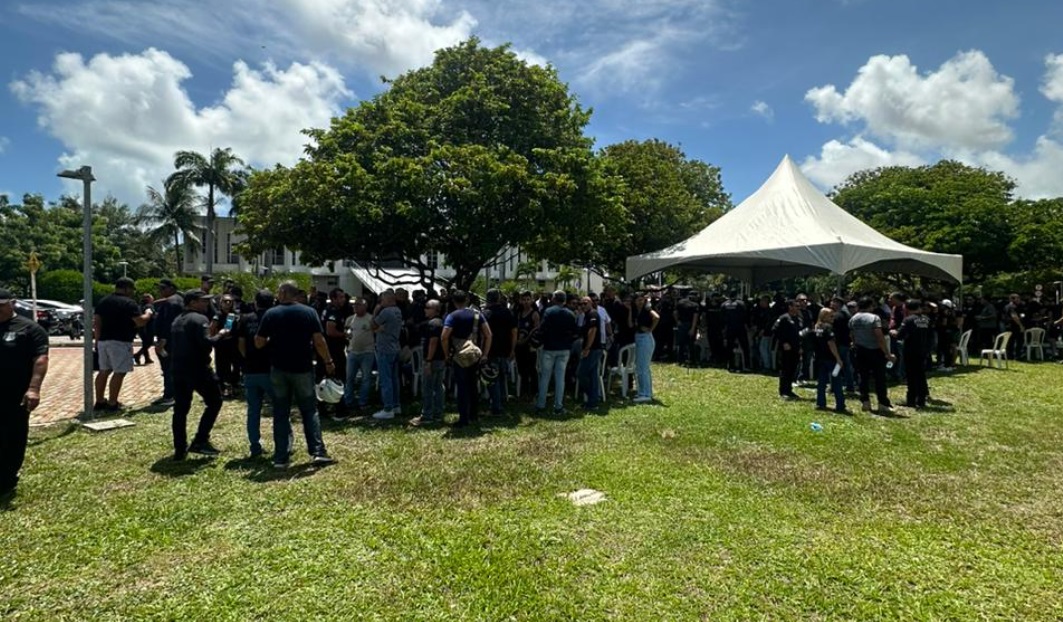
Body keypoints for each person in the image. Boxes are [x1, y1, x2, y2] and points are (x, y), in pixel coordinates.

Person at [255, 281, 336, 468]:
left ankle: (281, 457)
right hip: (303, 368)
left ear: (283, 293)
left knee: (281, 412)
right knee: (309, 410)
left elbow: (259, 342)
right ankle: (318, 452)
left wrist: (271, 340)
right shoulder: (309, 312)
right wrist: (328, 361)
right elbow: (319, 340)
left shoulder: (271, 313)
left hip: (278, 369)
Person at [0, 288, 49, 499]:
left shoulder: (30, 329)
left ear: (12, 303)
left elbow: (40, 360)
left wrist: (33, 388)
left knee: (13, 436)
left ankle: (7, 478)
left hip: (15, 394)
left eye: (1, 305)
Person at [169, 290, 229, 460]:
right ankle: (200, 440)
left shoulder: (177, 320)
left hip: (178, 369)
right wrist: (221, 334)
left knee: (180, 409)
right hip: (197, 369)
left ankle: (180, 448)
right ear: (193, 302)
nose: (206, 304)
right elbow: (207, 342)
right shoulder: (199, 319)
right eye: (203, 301)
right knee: (215, 401)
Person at [94, 277, 154, 411]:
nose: (132, 292)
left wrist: (97, 341)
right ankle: (112, 403)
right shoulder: (129, 303)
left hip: (103, 341)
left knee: (104, 371)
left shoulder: (103, 301)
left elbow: (97, 322)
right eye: (132, 289)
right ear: (126, 288)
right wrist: (148, 313)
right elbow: (140, 321)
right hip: (120, 341)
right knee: (119, 372)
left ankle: (99, 401)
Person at [442, 290, 492, 427]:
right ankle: (474, 415)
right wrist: (485, 354)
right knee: (473, 385)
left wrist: (447, 355)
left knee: (462, 386)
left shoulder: (452, 316)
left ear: (453, 301)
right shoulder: (477, 315)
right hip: (475, 354)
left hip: (459, 356)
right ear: (467, 300)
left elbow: (444, 337)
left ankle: (463, 419)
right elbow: (488, 335)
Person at [238, 290, 275, 458]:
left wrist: (248, 359)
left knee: (253, 410)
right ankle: (284, 442)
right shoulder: (275, 318)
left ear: (255, 302)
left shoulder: (245, 319)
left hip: (250, 370)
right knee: (280, 407)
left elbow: (241, 344)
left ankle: (255, 446)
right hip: (271, 370)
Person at [850, 296, 897, 414]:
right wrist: (887, 353)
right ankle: (882, 403)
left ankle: (865, 401)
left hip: (860, 350)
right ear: (870, 306)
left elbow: (852, 335)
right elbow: (879, 336)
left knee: (863, 377)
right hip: (875, 350)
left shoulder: (853, 318)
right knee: (879, 378)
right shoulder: (874, 318)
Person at [535, 290, 577, 415]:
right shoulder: (570, 314)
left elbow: (542, 329)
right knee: (560, 378)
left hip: (549, 348)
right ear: (564, 300)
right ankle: (558, 406)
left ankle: (541, 405)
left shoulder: (549, 312)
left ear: (554, 298)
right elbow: (573, 331)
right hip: (564, 348)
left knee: (545, 377)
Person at [410, 299, 445, 427]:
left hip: (433, 360)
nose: (425, 309)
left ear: (435, 310)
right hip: (440, 360)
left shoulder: (433, 324)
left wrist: (428, 360)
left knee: (428, 387)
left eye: (427, 307)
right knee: (438, 387)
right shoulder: (441, 322)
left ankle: (427, 415)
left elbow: (433, 342)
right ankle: (438, 414)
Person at [482, 289, 516, 416]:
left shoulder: (485, 313)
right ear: (498, 299)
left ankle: (496, 407)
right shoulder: (507, 312)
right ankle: (501, 400)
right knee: (502, 377)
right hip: (505, 350)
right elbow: (514, 332)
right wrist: (512, 349)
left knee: (492, 379)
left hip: (490, 351)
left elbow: (482, 334)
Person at [151, 278, 184, 408]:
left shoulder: (171, 303)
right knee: (171, 368)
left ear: (171, 288)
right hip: (174, 341)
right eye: (159, 288)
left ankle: (169, 395)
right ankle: (171, 393)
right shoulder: (177, 300)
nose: (160, 291)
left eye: (163, 288)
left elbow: (169, 324)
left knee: (168, 368)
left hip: (168, 342)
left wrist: (162, 341)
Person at [371, 290, 404, 420]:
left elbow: (373, 324)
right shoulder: (398, 311)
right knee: (394, 379)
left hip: (385, 348)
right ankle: (396, 405)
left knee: (386, 379)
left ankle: (388, 408)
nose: (381, 303)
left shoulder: (386, 311)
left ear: (388, 300)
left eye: (382, 300)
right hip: (395, 347)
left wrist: (375, 311)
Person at [894, 299, 932, 409]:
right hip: (924, 351)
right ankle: (921, 399)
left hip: (911, 351)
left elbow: (900, 335)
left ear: (907, 308)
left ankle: (911, 400)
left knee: (911, 376)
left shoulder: (908, 320)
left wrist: (893, 332)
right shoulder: (927, 319)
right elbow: (931, 336)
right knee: (920, 375)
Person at [812, 307, 846, 413]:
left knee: (821, 382)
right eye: (831, 316)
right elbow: (831, 343)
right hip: (831, 359)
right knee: (836, 381)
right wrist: (838, 358)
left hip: (820, 358)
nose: (833, 318)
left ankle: (820, 402)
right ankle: (840, 405)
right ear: (824, 316)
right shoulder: (828, 328)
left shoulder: (817, 327)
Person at [576, 295, 603, 410]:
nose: (583, 305)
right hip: (593, 349)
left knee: (581, 373)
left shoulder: (593, 314)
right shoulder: (586, 316)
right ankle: (593, 402)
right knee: (592, 376)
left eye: (585, 303)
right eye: (581, 303)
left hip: (593, 349)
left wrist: (587, 348)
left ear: (591, 303)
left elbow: (592, 331)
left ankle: (592, 396)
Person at [632, 293, 660, 403]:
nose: (640, 302)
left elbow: (657, 317)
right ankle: (642, 391)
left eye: (642, 300)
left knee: (643, 368)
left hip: (645, 338)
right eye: (638, 300)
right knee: (640, 367)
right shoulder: (635, 312)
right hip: (638, 337)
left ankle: (645, 394)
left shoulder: (647, 310)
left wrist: (650, 329)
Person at [773, 299, 802, 400]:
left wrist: (800, 347)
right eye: (796, 306)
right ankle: (783, 391)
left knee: (792, 370)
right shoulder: (784, 318)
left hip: (795, 348)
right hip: (786, 349)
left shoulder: (797, 319)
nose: (798, 308)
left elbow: (799, 334)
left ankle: (789, 390)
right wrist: (784, 342)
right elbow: (775, 330)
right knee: (785, 369)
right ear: (790, 307)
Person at [134, 293, 156, 366]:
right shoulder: (148, 306)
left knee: (145, 343)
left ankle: (146, 358)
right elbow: (149, 312)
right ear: (148, 299)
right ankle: (138, 355)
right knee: (149, 342)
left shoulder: (139, 306)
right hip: (148, 327)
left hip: (141, 327)